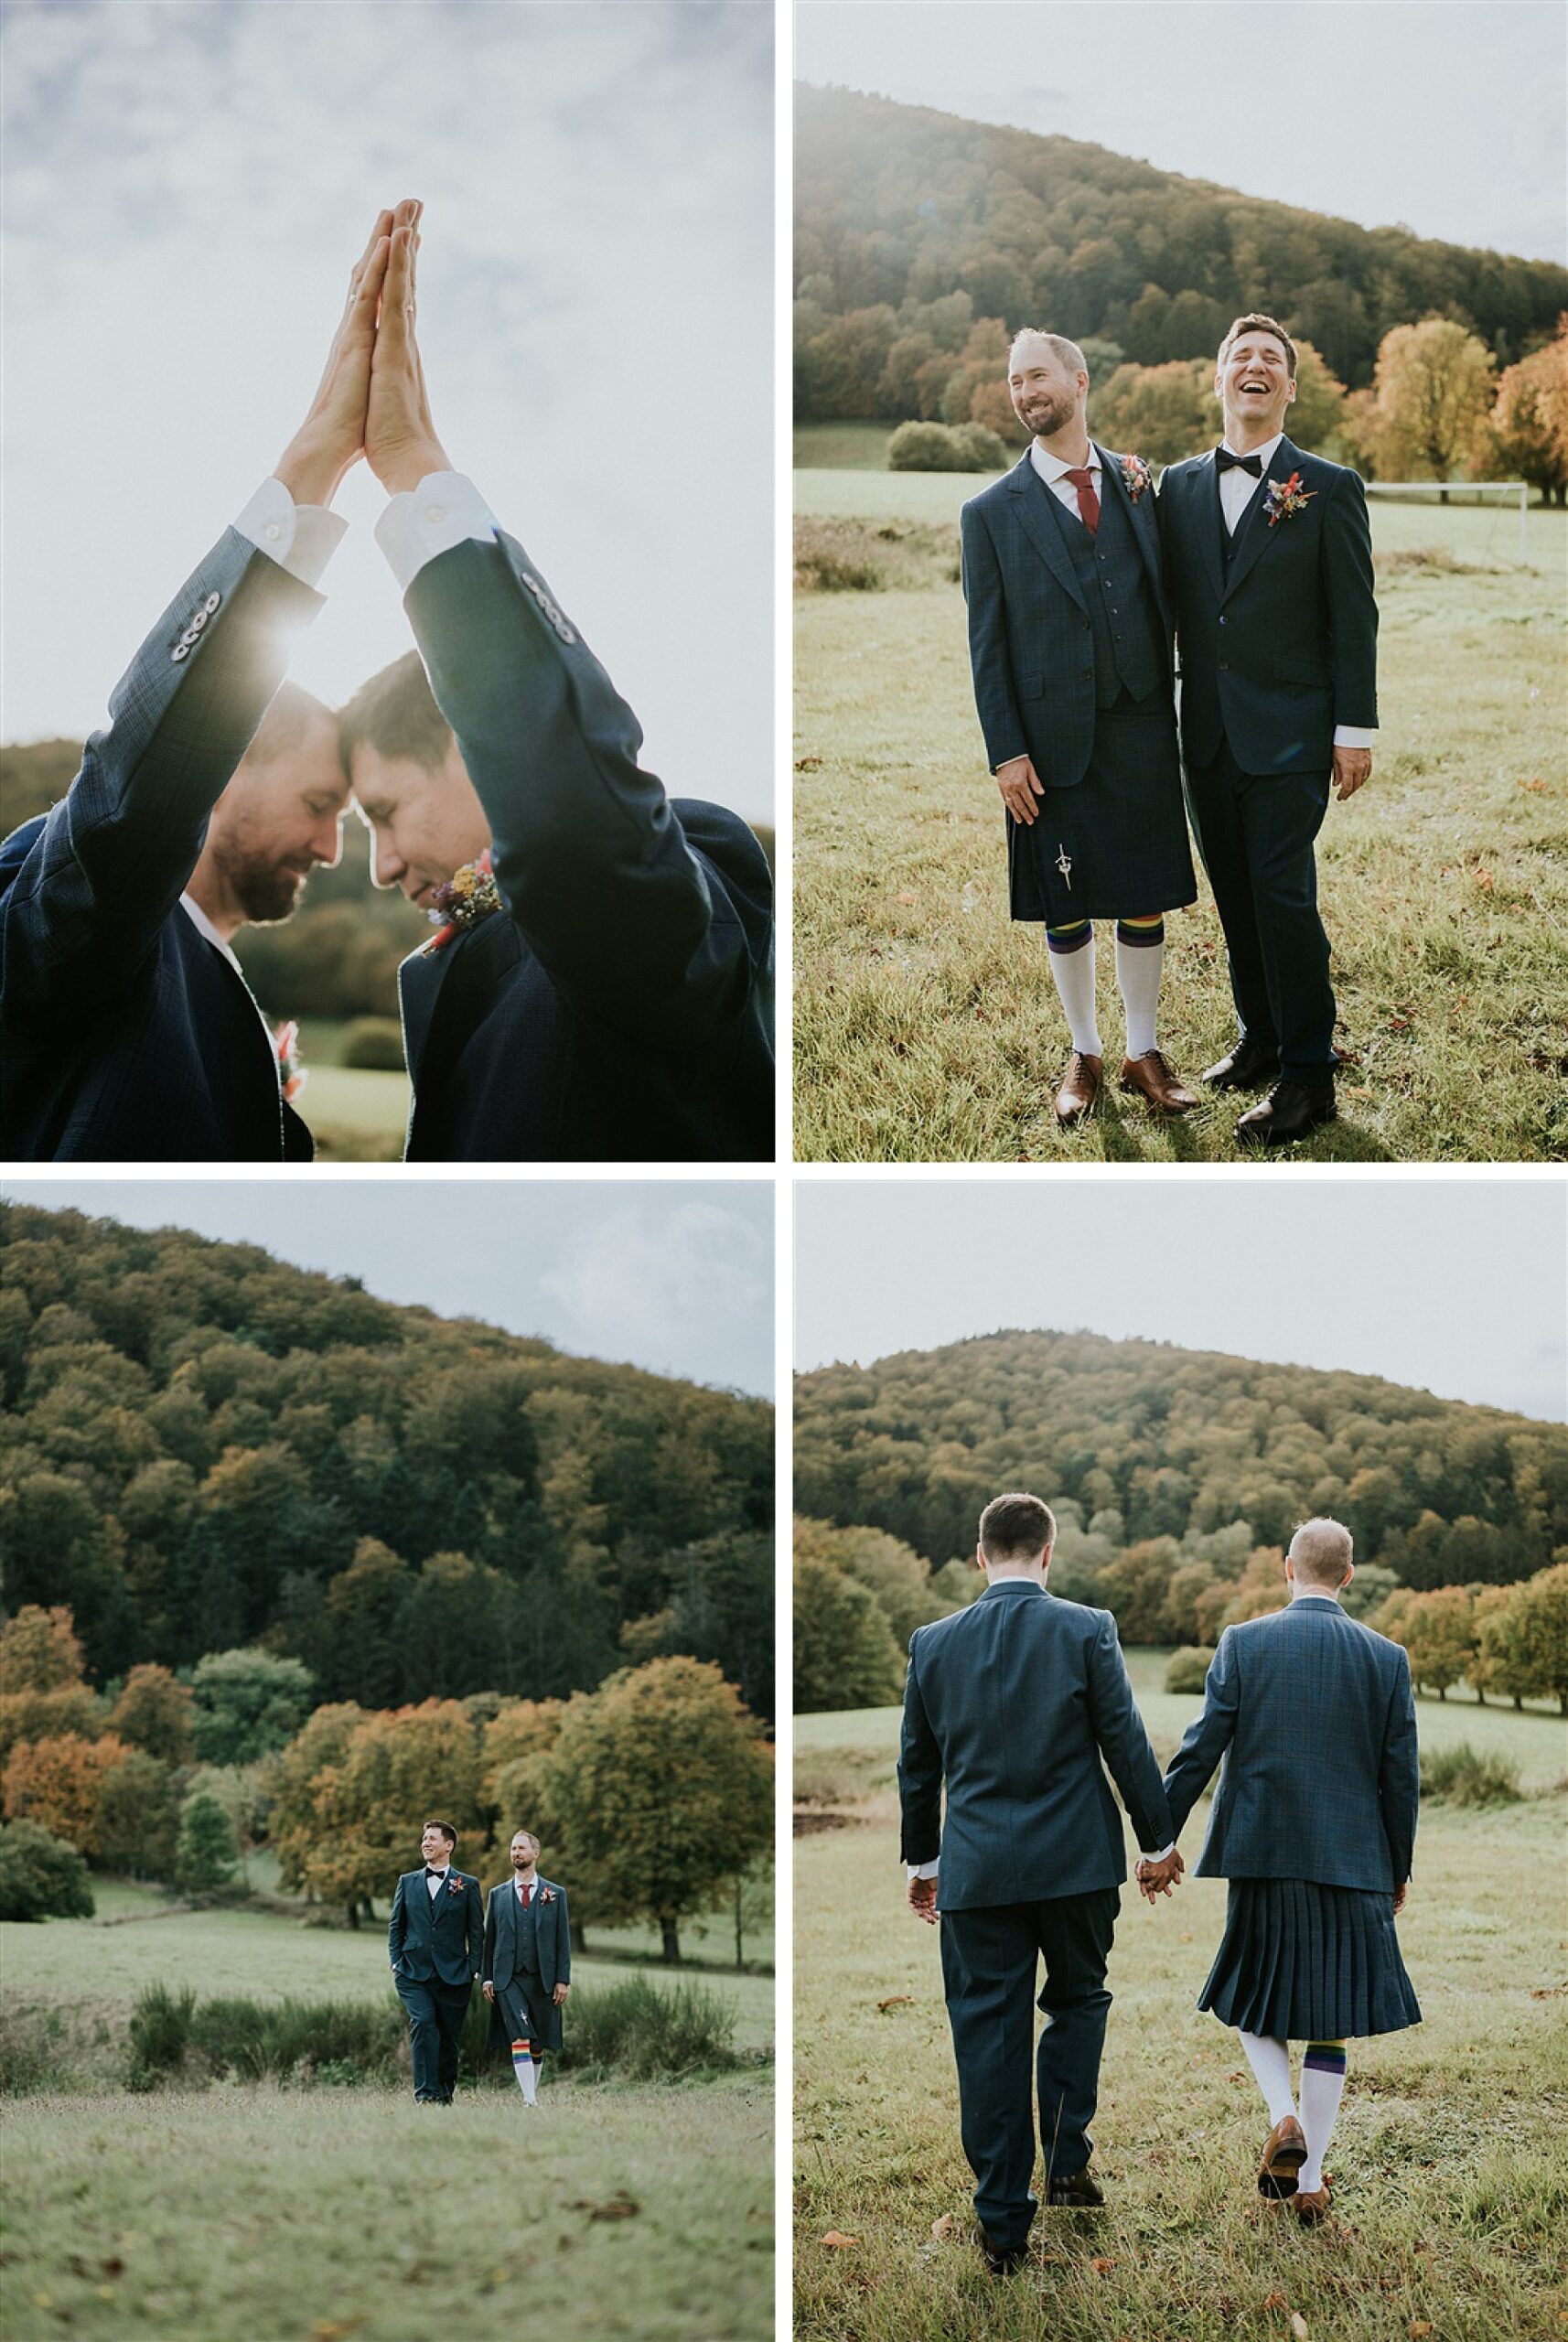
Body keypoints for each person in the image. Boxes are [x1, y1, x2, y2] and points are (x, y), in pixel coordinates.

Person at [340, 208, 775, 1161]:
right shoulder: (454, 964)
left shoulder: (686, 868)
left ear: (468, 741)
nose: (376, 865)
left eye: (384, 809)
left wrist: (415, 469)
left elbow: (583, 839)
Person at [0, 212, 397, 1159]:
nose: (331, 847)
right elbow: (134, 797)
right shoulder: (84, 919)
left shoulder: (213, 988)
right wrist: (314, 469)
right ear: (218, 769)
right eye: (316, 801)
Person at [897, 1490, 1178, 2275]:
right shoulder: (1088, 1627)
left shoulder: (933, 1642)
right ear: (1049, 1553)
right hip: (1078, 1868)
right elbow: (1123, 1737)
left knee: (987, 2031)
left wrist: (925, 1867)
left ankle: (1001, 2225)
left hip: (978, 1873)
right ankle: (1063, 2162)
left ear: (980, 1555)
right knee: (1080, 2000)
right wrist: (1157, 1842)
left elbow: (917, 1767)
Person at [960, 329, 1197, 1126]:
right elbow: (986, 645)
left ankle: (1142, 1048)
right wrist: (1006, 753)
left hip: (1139, 725)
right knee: (1065, 902)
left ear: (1079, 380)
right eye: (1012, 381)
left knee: (1142, 893)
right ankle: (1085, 1051)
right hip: (1048, 740)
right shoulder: (989, 512)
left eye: (1036, 375)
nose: (1023, 391)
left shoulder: (1136, 482)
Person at [1151, 1519, 1420, 2222]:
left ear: (1287, 1570)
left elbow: (1199, 1749)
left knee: (1251, 1996)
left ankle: (1282, 2117)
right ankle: (1310, 2182)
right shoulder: (1386, 1657)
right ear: (1349, 1576)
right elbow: (1402, 1777)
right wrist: (1397, 1866)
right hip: (1354, 1860)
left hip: (1264, 1855)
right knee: (1330, 2020)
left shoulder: (1245, 1642)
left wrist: (1159, 1839)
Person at [1157, 314, 1379, 1147]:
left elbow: (1354, 617)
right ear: (1218, 382)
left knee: (1283, 898)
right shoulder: (1174, 487)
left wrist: (1352, 729)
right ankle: (1259, 1037)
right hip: (1205, 737)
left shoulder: (1328, 485)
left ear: (1289, 387)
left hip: (1292, 734)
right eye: (1240, 357)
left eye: (1271, 361)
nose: (1255, 367)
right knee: (1235, 896)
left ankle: (1309, 1076)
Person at [388, 1819, 485, 2105]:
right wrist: (396, 1961)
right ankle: (425, 2094)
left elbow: (476, 1932)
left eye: (432, 1839)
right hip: (412, 1972)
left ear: (449, 1845)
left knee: (447, 2037)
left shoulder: (467, 1885)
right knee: (423, 2022)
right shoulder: (406, 1882)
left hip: (455, 1974)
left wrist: (473, 1969)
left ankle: (444, 2094)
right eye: (424, 1839)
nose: (425, 1843)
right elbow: (396, 1926)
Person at [481, 1829, 571, 2105]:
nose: (516, 1853)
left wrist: (562, 1980)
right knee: (520, 2033)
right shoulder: (498, 1895)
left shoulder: (555, 1894)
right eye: (513, 1849)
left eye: (521, 1848)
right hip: (507, 1978)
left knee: (537, 2041)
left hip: (542, 1978)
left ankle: (530, 2094)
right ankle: (530, 2099)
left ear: (535, 1853)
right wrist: (487, 1978)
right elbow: (490, 1938)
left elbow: (562, 1940)